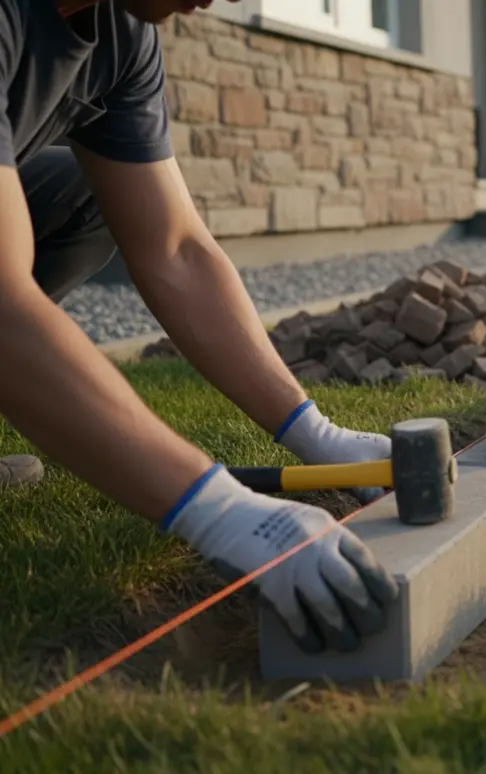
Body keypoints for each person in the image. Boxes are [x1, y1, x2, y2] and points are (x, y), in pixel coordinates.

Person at [0, 0, 400, 655]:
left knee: (80, 195)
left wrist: (315, 434)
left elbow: (176, 249)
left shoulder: (120, 29)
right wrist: (218, 511)